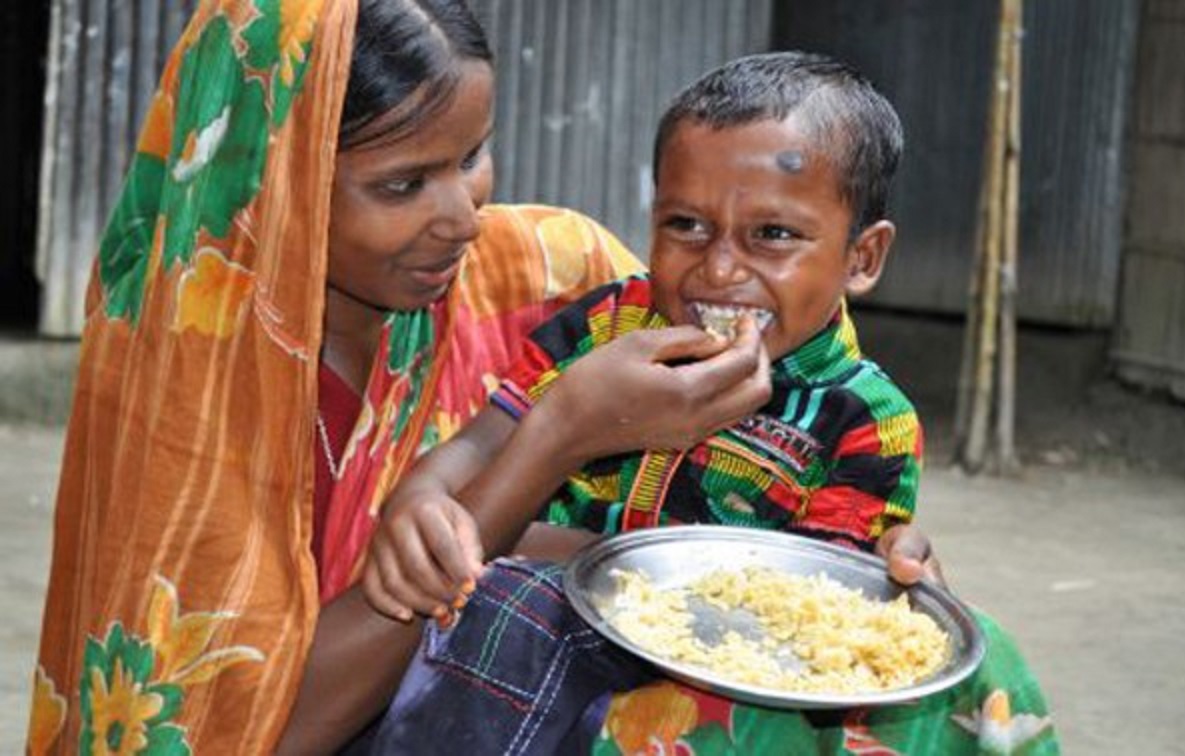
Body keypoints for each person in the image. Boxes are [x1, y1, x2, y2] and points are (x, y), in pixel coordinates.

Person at [24, 3, 942, 754]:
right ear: (276, 184)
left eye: (470, 159)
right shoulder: (194, 390)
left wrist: (858, 578)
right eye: (402, 184)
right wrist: (557, 437)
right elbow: (250, 732)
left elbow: (770, 441)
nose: (462, 216)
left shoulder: (550, 270)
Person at [363, 53, 1060, 755]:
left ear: (863, 258)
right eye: (686, 225)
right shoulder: (605, 327)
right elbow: (480, 447)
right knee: (510, 607)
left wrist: (547, 543)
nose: (719, 270)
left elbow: (798, 613)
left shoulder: (864, 422)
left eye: (774, 235)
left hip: (707, 686)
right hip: (536, 638)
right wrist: (419, 497)